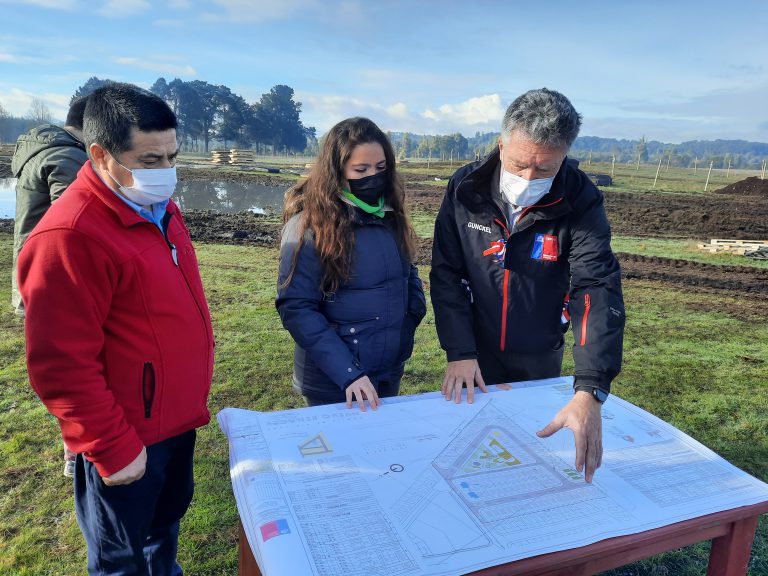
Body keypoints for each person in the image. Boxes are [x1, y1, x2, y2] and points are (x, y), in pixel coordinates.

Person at [18, 82, 214, 575]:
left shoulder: (160, 208)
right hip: (126, 434)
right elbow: (60, 365)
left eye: (172, 156)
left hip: (176, 420)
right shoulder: (70, 236)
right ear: (101, 154)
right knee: (120, 559)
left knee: (162, 533)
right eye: (150, 160)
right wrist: (111, 447)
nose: (166, 172)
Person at [430, 88, 625, 482]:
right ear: (501, 145)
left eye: (545, 170)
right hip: (474, 350)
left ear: (565, 156)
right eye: (519, 165)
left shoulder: (581, 200)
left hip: (539, 351)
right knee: (470, 453)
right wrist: (459, 350)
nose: (528, 178)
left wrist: (589, 388)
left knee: (530, 454)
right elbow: (446, 272)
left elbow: (596, 287)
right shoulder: (466, 188)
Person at [276, 117, 426, 411]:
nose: (373, 177)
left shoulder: (391, 216)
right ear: (336, 171)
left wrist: (409, 319)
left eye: (381, 169)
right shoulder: (307, 227)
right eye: (361, 170)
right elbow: (297, 307)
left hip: (387, 371)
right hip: (335, 380)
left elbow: (408, 275)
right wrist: (348, 373)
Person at [11, 96, 89, 477]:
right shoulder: (68, 157)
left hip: (32, 272)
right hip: (58, 278)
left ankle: (75, 447)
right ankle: (78, 452)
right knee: (76, 364)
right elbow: (78, 219)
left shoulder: (37, 145)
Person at [11, 96, 88, 317]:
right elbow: (75, 222)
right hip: (48, 272)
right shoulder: (68, 155)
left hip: (30, 264)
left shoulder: (45, 148)